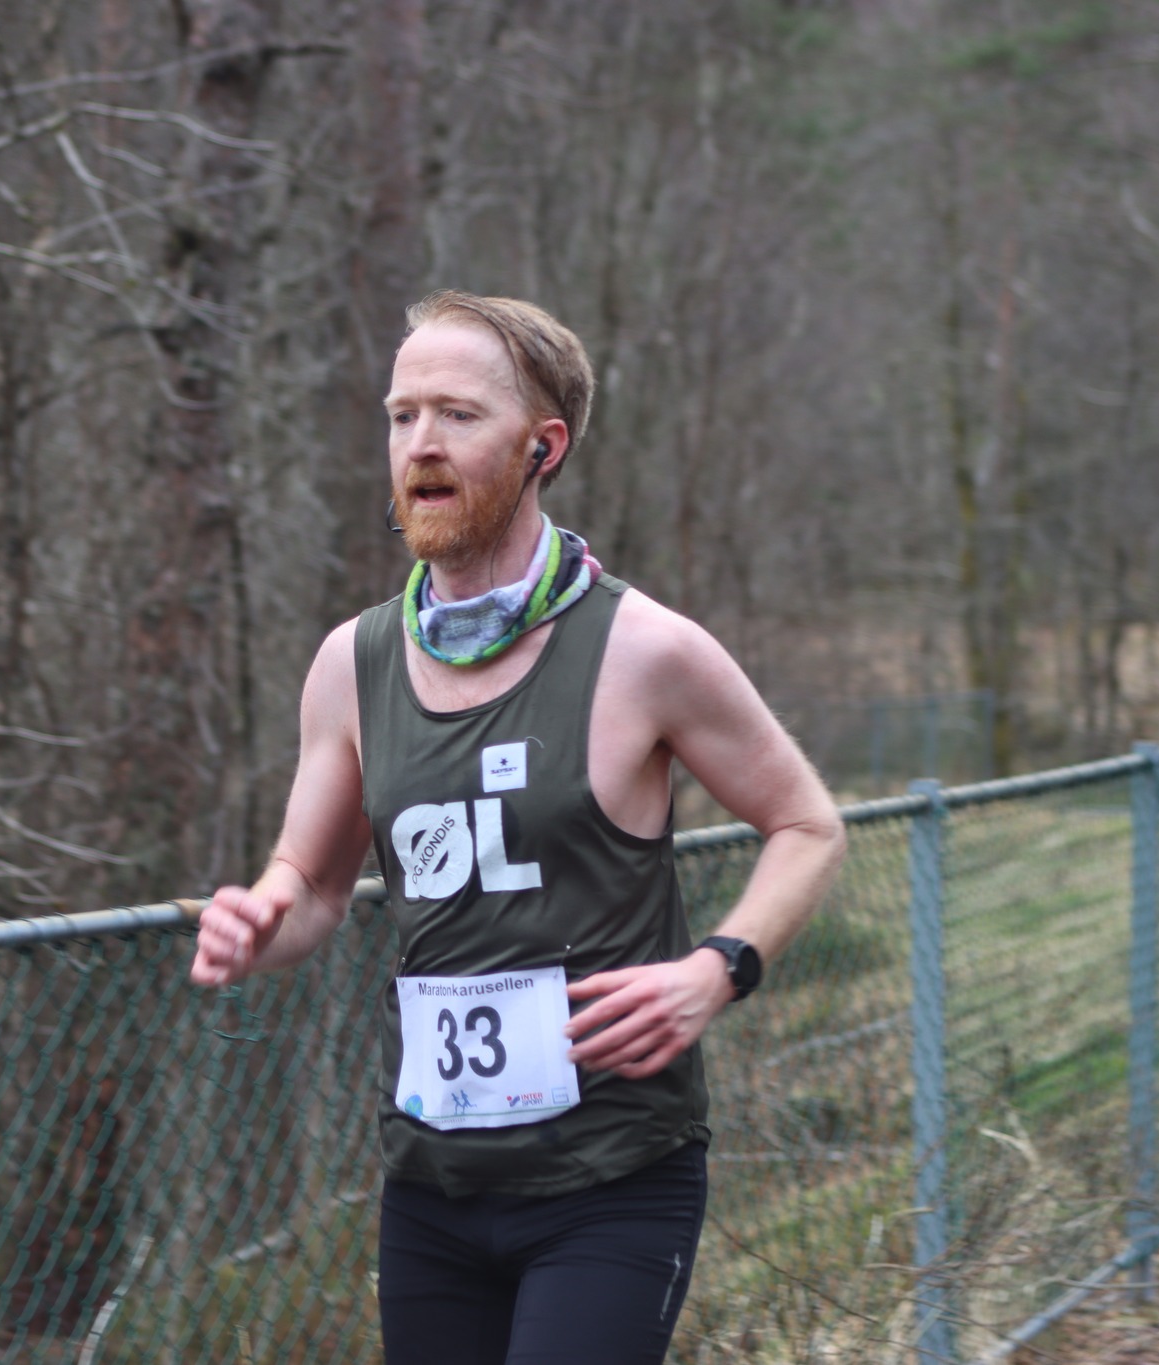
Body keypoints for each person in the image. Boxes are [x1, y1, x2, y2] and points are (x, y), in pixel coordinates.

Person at [188, 291, 847, 1363]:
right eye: (402, 416)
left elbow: (807, 823)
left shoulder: (646, 650)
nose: (421, 443)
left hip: (610, 1179)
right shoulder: (351, 663)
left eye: (456, 414)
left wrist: (719, 967)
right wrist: (259, 920)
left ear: (543, 446)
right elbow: (309, 885)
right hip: (432, 1184)